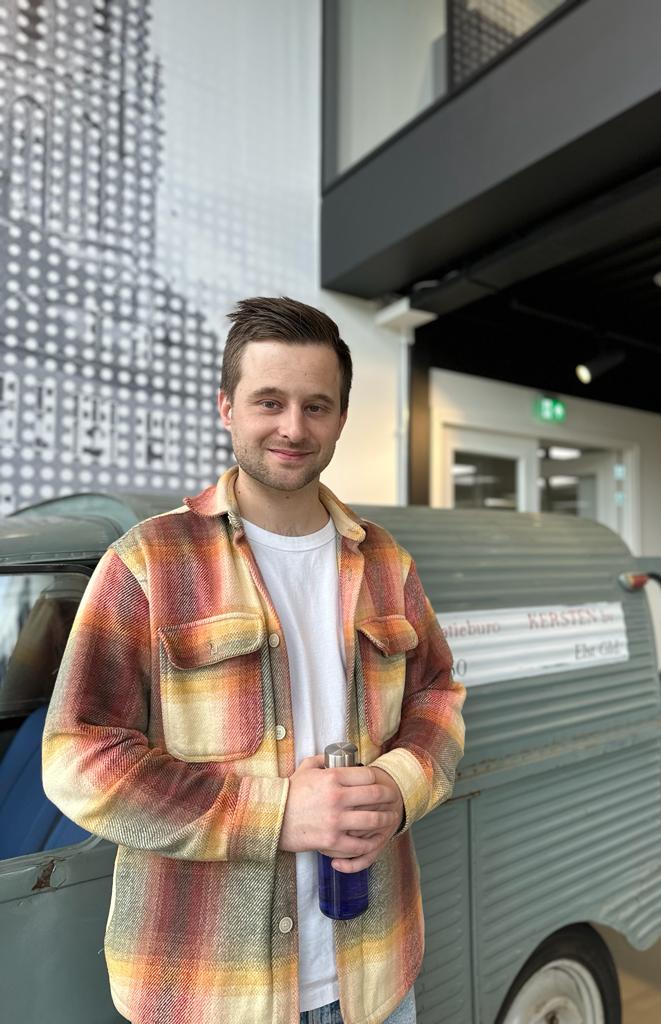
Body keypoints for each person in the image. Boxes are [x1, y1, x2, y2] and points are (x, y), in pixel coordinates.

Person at [42, 296, 466, 1024]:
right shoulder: (149, 562)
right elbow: (77, 758)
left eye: (316, 406)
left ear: (340, 418)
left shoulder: (387, 562)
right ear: (226, 407)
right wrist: (275, 813)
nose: (293, 428)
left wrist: (399, 788)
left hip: (375, 979)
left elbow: (438, 693)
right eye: (269, 401)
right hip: (208, 993)